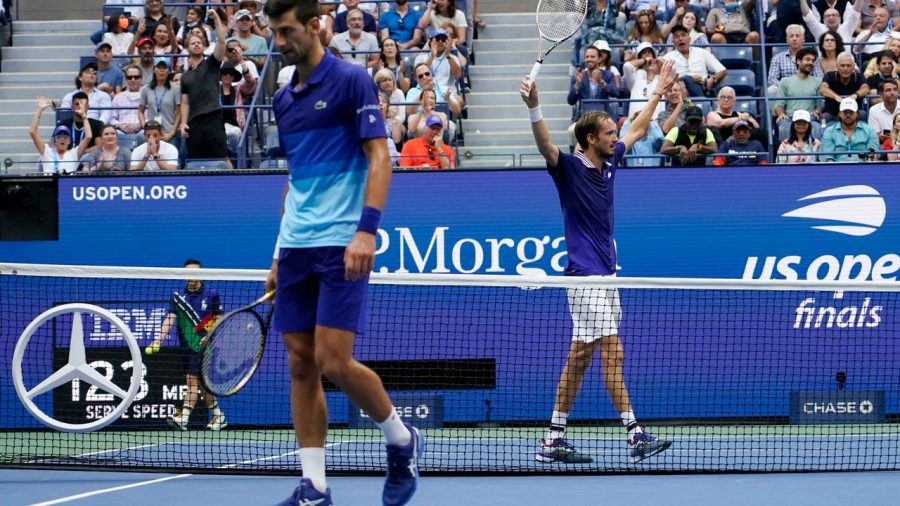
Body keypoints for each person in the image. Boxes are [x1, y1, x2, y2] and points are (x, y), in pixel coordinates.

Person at [265, 0, 424, 504]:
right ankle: (314, 486)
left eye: (286, 30)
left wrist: (366, 231)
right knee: (299, 363)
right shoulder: (283, 98)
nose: (279, 40)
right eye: (273, 31)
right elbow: (294, 183)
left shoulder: (352, 80)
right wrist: (276, 254)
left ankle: (401, 439)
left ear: (315, 26)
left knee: (334, 361)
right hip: (296, 246)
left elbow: (380, 155)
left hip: (341, 242)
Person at [521, 60, 677, 465]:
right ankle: (635, 434)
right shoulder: (570, 169)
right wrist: (535, 108)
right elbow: (545, 146)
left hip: (607, 276)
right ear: (590, 138)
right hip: (585, 278)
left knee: (581, 355)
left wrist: (657, 90)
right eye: (609, 133)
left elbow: (639, 128)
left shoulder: (609, 165)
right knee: (613, 350)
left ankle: (554, 437)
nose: (616, 138)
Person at [146, 259, 227, 431]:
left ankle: (184, 418)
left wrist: (210, 335)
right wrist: (159, 338)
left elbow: (219, 318)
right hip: (185, 347)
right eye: (188, 273)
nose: (191, 276)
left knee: (191, 381)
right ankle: (219, 415)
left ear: (201, 274)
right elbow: (170, 318)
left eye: (195, 272)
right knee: (202, 384)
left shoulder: (211, 294)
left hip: (203, 346)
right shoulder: (178, 297)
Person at [180, 9, 233, 169]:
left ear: (204, 46)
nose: (196, 44)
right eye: (193, 43)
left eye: (199, 42)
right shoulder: (185, 76)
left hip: (213, 117)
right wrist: (183, 123)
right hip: (194, 122)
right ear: (187, 48)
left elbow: (222, 43)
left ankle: (235, 187)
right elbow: (184, 102)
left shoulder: (211, 63)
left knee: (222, 157)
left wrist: (216, 19)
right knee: (197, 162)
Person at [568, 44, 620, 148]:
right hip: (584, 119)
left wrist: (601, 82)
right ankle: (574, 160)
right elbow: (570, 100)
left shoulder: (608, 75)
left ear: (599, 58)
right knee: (571, 131)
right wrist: (577, 84)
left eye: (592, 57)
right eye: (587, 57)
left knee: (612, 133)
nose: (589, 59)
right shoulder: (579, 76)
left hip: (604, 118)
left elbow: (615, 93)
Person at [30, 97, 92, 174]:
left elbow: (88, 137)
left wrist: (84, 116)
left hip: (68, 185)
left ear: (69, 141)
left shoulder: (74, 153)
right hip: (50, 185)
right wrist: (39, 111)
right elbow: (32, 132)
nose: (62, 139)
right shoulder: (47, 151)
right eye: (59, 137)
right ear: (55, 140)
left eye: (65, 137)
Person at [661, 24, 727, 97]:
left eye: (683, 35)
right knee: (686, 79)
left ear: (689, 39)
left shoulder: (702, 52)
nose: (680, 39)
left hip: (701, 88)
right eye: (676, 37)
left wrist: (712, 78)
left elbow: (722, 70)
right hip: (678, 92)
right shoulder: (668, 57)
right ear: (673, 42)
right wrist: (691, 79)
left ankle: (700, 102)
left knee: (687, 79)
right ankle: (702, 102)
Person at [774, 47, 824, 141]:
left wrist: (817, 110)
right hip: (790, 118)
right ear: (798, 61)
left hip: (810, 118)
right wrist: (781, 114)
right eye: (807, 59)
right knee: (784, 127)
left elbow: (820, 104)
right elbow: (779, 104)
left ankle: (814, 155)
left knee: (816, 128)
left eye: (813, 60)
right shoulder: (785, 81)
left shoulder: (818, 81)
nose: (811, 63)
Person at [139, 57, 182, 152]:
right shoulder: (146, 89)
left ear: (169, 71)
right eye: (159, 67)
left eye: (164, 68)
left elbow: (179, 113)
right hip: (151, 132)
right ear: (154, 69)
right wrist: (145, 128)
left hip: (169, 133)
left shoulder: (176, 89)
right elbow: (140, 111)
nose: (161, 71)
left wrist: (172, 132)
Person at [820, 52, 870, 123]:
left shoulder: (859, 76)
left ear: (853, 66)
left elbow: (866, 89)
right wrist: (836, 97)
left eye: (848, 65)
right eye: (842, 65)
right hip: (833, 114)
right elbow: (822, 89)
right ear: (837, 66)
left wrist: (854, 96)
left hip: (853, 114)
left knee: (863, 114)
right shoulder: (829, 75)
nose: (845, 68)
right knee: (825, 117)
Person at [109, 65, 144, 150]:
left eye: (136, 77)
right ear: (126, 79)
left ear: (141, 79)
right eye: (129, 77)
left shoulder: (147, 96)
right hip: (121, 131)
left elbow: (151, 116)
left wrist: (139, 124)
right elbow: (111, 118)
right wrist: (119, 125)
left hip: (141, 130)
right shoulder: (118, 97)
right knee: (113, 133)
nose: (133, 80)